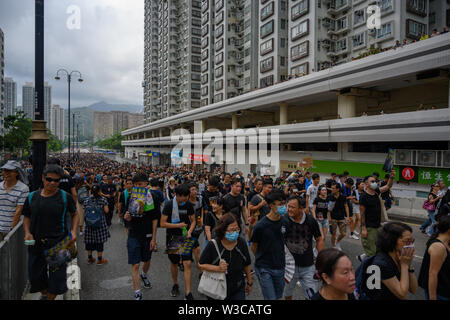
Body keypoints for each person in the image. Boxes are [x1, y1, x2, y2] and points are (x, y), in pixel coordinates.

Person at [22, 164, 79, 300]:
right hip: (36, 244)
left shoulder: (65, 197)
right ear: (43, 178)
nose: (52, 183)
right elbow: (26, 216)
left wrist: (74, 231)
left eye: (56, 180)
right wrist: (27, 232)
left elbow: (75, 214)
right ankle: (46, 294)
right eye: (49, 179)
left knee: (57, 280)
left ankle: (49, 297)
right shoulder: (32, 197)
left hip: (58, 244)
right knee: (35, 277)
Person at [199, 213, 252, 300]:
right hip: (216, 288)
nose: (235, 233)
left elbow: (247, 264)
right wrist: (218, 269)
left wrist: (249, 283)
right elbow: (201, 264)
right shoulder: (213, 245)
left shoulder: (241, 242)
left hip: (237, 287)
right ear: (223, 230)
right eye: (231, 230)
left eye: (237, 229)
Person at [124, 173, 161, 300]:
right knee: (135, 264)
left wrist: (154, 238)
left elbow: (155, 219)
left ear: (147, 184)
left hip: (148, 234)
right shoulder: (131, 197)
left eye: (140, 184)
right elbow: (127, 216)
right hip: (134, 234)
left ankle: (144, 275)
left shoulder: (154, 197)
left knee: (147, 260)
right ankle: (137, 292)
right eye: (135, 185)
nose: (137, 187)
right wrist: (127, 217)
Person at [282, 196, 324, 300]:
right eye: (288, 206)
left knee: (311, 296)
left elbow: (319, 239)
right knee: (287, 294)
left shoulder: (310, 221)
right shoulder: (283, 220)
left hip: (308, 266)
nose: (289, 209)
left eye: (292, 207)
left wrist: (320, 258)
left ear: (301, 208)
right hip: (289, 267)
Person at [161, 184, 196, 300]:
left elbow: (193, 221)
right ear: (177, 195)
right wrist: (178, 225)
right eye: (183, 197)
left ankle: (188, 292)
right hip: (173, 237)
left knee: (187, 263)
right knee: (174, 263)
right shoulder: (169, 205)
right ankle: (175, 284)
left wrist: (190, 231)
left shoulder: (189, 205)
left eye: (187, 196)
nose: (185, 199)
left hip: (185, 237)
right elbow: (163, 223)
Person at [366, 222, 418, 300]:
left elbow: (413, 289)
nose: (410, 244)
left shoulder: (400, 258)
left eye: (412, 241)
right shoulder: (381, 263)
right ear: (392, 241)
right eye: (407, 241)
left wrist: (409, 265)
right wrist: (404, 265)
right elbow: (402, 294)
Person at [250, 190, 287, 300]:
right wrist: (262, 258)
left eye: (284, 203)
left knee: (278, 296)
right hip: (264, 267)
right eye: (280, 204)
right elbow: (253, 246)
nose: (283, 207)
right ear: (271, 205)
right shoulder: (261, 226)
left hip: (280, 266)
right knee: (270, 298)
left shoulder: (285, 222)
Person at [358, 170, 395, 262]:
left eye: (375, 181)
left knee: (380, 248)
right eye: (372, 181)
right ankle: (367, 269)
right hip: (369, 227)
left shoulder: (376, 192)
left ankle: (364, 257)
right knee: (372, 253)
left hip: (377, 225)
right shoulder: (363, 196)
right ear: (366, 184)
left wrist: (391, 177)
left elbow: (388, 186)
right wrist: (363, 228)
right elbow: (362, 214)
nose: (375, 183)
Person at [418, 215, 450, 300]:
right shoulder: (438, 246)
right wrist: (433, 297)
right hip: (441, 293)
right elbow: (432, 274)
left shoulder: (446, 243)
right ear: (449, 231)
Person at [0, 161, 29, 241]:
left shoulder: (23, 189)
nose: (6, 173)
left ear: (17, 173)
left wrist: (11, 230)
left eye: (9, 171)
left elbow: (19, 210)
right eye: (4, 170)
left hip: (11, 230)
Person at [82, 184, 110, 266]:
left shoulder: (87, 200)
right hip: (100, 224)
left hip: (89, 224)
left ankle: (90, 258)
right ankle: (100, 259)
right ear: (99, 191)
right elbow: (106, 211)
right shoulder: (103, 199)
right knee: (99, 241)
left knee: (89, 241)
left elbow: (84, 212)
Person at [187, 182, 204, 275]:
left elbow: (201, 209)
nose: (195, 191)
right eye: (192, 189)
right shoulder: (186, 201)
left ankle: (185, 258)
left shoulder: (200, 199)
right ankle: (200, 270)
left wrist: (201, 218)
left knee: (193, 245)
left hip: (198, 225)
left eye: (195, 189)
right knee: (196, 248)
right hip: (188, 226)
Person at [327, 183, 349, 251]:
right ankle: (333, 246)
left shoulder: (343, 196)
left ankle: (337, 242)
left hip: (341, 217)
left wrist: (347, 216)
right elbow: (328, 209)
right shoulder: (329, 196)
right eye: (331, 188)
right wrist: (329, 217)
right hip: (333, 217)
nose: (332, 189)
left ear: (338, 189)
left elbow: (346, 206)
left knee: (343, 233)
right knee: (333, 233)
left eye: (333, 188)